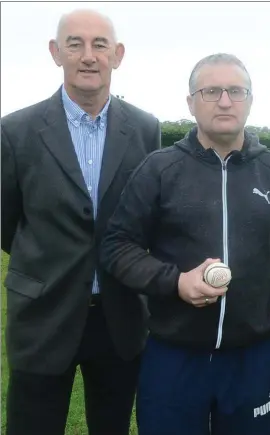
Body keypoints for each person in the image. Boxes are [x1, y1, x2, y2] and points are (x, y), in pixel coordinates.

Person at [99, 53, 270, 435]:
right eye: (211, 91)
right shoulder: (160, 169)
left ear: (250, 99)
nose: (225, 101)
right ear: (191, 103)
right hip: (173, 354)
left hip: (252, 357)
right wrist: (174, 282)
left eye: (235, 90)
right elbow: (117, 246)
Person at [1, 9, 161, 435]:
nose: (88, 56)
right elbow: (7, 222)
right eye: (75, 44)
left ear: (118, 55)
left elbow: (147, 219)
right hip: (43, 313)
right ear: (56, 53)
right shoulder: (15, 131)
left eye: (100, 45)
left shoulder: (146, 130)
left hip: (120, 317)